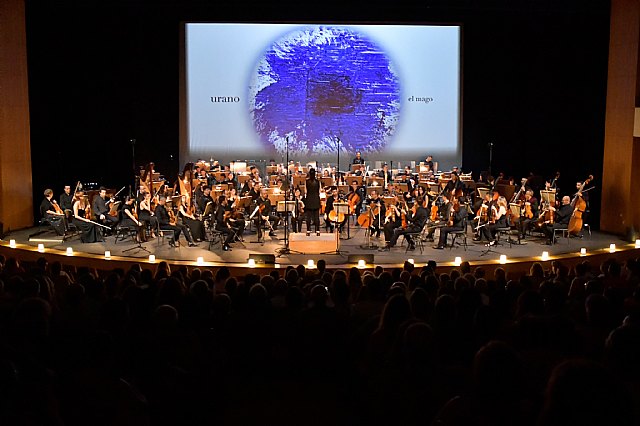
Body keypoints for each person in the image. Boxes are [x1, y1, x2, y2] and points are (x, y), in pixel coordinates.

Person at [304, 168, 321, 233]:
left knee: (308, 216)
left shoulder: (306, 182)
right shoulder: (318, 182)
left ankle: (308, 230)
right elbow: (319, 191)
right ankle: (317, 230)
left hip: (309, 200)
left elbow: (305, 191)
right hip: (316, 200)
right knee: (317, 216)